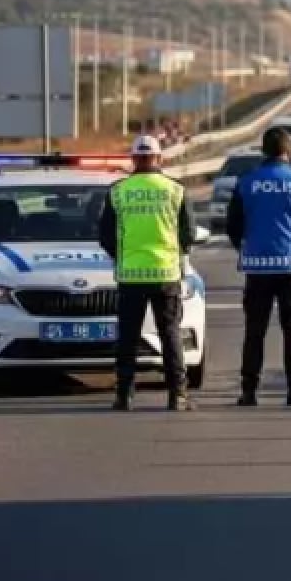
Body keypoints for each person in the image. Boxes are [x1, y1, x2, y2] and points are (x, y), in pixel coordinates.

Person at [98, 134, 197, 411]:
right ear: (159, 159)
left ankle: (124, 395)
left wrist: (124, 257)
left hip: (131, 275)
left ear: (133, 159)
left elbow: (105, 236)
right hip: (166, 275)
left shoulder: (118, 191)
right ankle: (178, 395)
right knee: (170, 334)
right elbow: (188, 234)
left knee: (128, 337)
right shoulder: (175, 190)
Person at [226, 127, 291, 408]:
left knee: (254, 331)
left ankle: (248, 391)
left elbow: (233, 225)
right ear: (289, 152)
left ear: (263, 151)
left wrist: (247, 246)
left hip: (257, 267)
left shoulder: (247, 182)